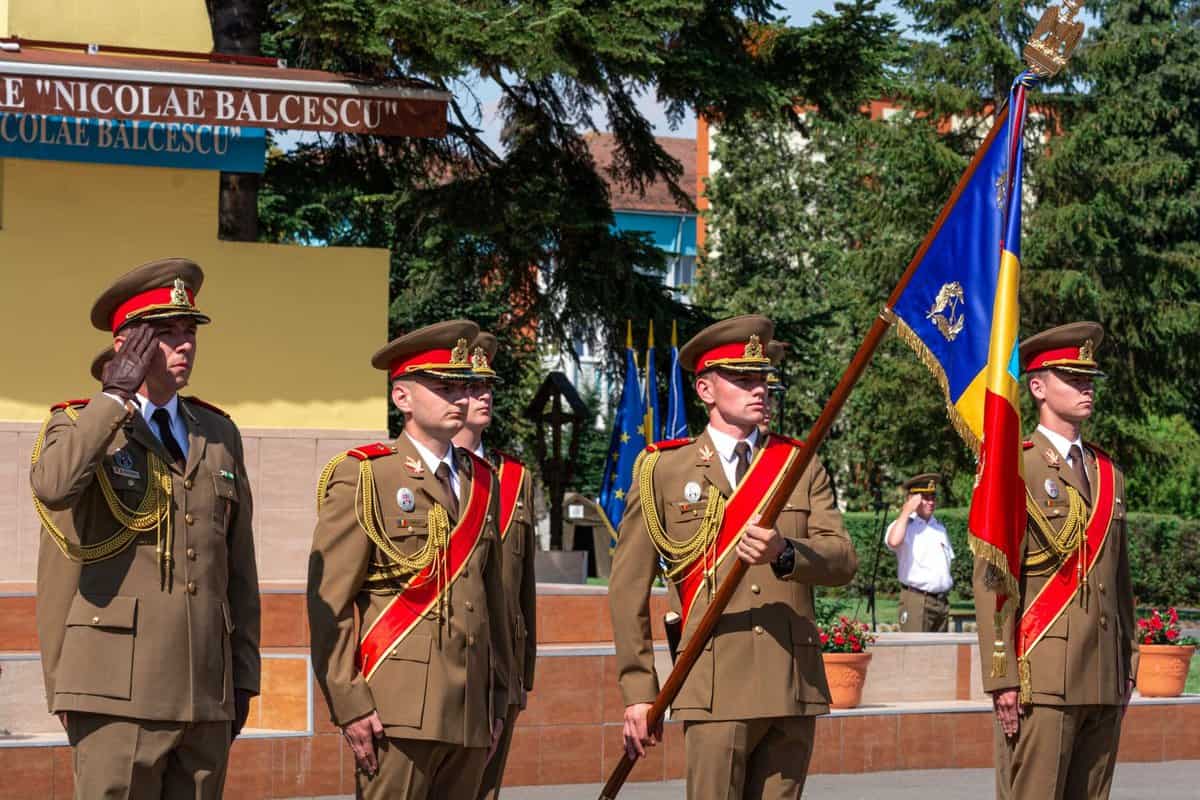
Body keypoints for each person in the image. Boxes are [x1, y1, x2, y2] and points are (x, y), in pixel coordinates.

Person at [31, 258, 261, 799]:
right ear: (126, 346)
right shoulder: (79, 424)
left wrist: (243, 674)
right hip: (114, 690)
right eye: (165, 333)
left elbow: (240, 568)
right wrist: (112, 397)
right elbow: (54, 486)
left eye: (189, 331)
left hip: (205, 690)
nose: (185, 345)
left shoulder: (219, 432)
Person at [609, 314, 858, 800]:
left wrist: (787, 552)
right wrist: (640, 692)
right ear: (705, 389)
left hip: (791, 681)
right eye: (742, 379)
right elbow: (626, 589)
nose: (758, 389)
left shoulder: (798, 464)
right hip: (713, 683)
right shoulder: (662, 469)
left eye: (762, 378)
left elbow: (842, 559)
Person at [307, 320, 513, 800]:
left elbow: (494, 599)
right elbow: (329, 603)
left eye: (463, 386)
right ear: (403, 398)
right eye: (443, 386)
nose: (459, 398)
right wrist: (350, 702)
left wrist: (497, 698)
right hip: (395, 708)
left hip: (469, 710)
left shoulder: (484, 480)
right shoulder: (365, 476)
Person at [974, 322, 1137, 800]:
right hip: (1041, 674)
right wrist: (1001, 676)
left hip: (1103, 674)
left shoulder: (1108, 472)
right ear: (1038, 386)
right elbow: (992, 579)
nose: (1087, 386)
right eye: (1073, 376)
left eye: (1090, 378)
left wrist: (1127, 663)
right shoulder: (1014, 465)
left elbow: (1120, 580)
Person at [452, 332, 538, 799]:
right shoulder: (427, 474)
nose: (483, 394)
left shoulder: (515, 476)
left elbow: (523, 587)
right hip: (444, 662)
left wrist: (523, 671)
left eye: (487, 385)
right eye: (469, 384)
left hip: (501, 667)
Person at [886, 473, 954, 632]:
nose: (931, 502)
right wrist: (906, 511)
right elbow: (894, 541)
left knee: (940, 655)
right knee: (916, 653)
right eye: (925, 497)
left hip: (941, 602)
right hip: (917, 600)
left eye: (933, 497)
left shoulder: (939, 528)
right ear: (912, 499)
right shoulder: (904, 525)